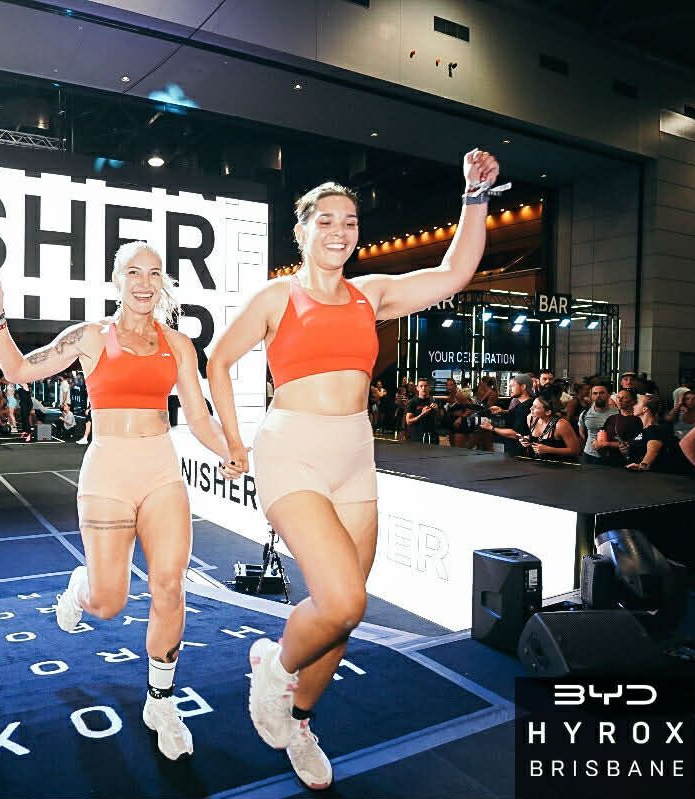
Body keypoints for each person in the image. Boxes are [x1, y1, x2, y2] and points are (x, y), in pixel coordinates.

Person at [207, 149, 501, 790]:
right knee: (342, 598)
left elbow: (455, 272)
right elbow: (218, 362)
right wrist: (233, 439)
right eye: (326, 220)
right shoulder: (274, 296)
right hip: (291, 448)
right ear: (303, 229)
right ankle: (274, 668)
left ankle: (302, 722)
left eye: (350, 221)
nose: (339, 231)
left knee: (344, 613)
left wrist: (473, 198)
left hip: (355, 453)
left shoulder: (373, 294)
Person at [0, 240, 243, 760]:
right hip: (108, 472)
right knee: (110, 603)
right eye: (134, 272)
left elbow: (199, 417)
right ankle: (80, 591)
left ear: (163, 282)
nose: (145, 282)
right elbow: (20, 372)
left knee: (169, 584)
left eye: (154, 273)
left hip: (161, 469)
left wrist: (232, 448)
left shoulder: (179, 345)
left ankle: (161, 702)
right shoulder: (91, 336)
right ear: (116, 280)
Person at [625, 394, 691, 474]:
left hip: (653, 477)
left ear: (645, 409)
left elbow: (653, 451)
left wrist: (642, 466)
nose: (634, 405)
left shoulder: (654, 430)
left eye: (637, 403)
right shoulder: (642, 430)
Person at [482, 374, 534, 455]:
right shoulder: (524, 404)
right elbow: (514, 413)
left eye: (513, 386)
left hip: (520, 453)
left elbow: (515, 434)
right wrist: (502, 411)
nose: (510, 389)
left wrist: (491, 428)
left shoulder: (525, 407)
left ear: (523, 386)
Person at [521, 391, 581, 461]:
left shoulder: (561, 425)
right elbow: (536, 441)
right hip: (538, 464)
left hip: (559, 465)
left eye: (535, 407)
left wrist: (549, 450)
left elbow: (576, 451)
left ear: (548, 412)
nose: (530, 408)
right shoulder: (530, 418)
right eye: (532, 405)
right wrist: (527, 440)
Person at [593, 388, 642, 467]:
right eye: (618, 397)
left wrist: (606, 444)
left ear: (633, 401)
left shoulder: (637, 420)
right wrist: (596, 442)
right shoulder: (612, 418)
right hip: (608, 461)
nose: (619, 400)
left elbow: (633, 443)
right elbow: (602, 435)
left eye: (624, 398)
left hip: (626, 462)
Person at [578, 382, 618, 465]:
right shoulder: (585, 413)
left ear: (609, 394)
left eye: (602, 393)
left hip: (610, 456)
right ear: (591, 396)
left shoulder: (617, 413)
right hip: (588, 455)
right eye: (595, 393)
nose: (598, 396)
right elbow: (581, 432)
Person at [404, 378, 440, 445]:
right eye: (421, 386)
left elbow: (440, 418)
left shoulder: (434, 401)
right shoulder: (413, 402)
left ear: (429, 387)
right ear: (417, 388)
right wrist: (422, 414)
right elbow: (408, 421)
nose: (423, 388)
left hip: (432, 437)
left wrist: (437, 410)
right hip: (417, 437)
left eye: (425, 386)